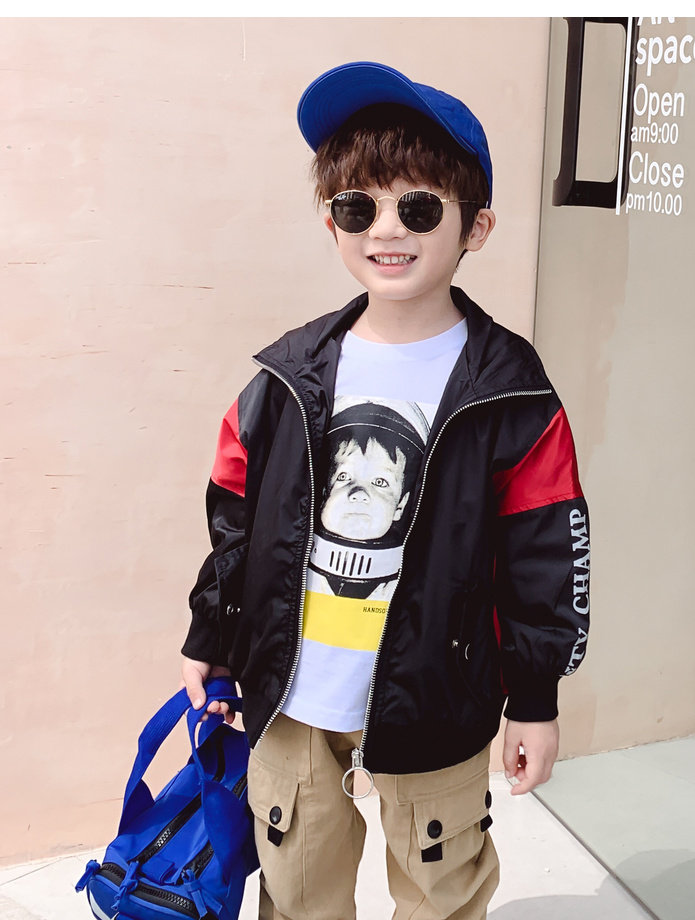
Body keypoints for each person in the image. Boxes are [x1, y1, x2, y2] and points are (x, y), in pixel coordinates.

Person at [181, 61, 590, 920]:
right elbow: (235, 517)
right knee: (297, 893)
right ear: (331, 222)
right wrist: (211, 635)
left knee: (442, 894)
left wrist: (535, 699)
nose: (387, 229)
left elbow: (545, 555)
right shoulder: (287, 375)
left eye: (419, 208)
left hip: (439, 693)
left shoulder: (511, 392)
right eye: (358, 207)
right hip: (293, 693)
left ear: (476, 226)